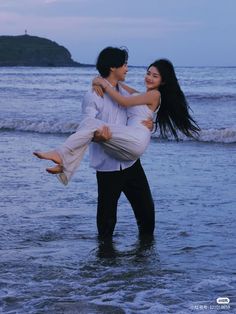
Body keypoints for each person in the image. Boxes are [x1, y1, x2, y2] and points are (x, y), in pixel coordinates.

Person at [34, 47, 199, 238]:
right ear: (114, 68)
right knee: (106, 221)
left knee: (147, 215)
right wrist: (98, 85)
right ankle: (104, 259)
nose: (128, 69)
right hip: (108, 164)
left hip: (131, 161)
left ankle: (145, 257)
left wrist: (151, 124)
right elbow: (90, 122)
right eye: (125, 65)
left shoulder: (126, 94)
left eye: (154, 75)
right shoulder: (94, 95)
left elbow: (136, 106)